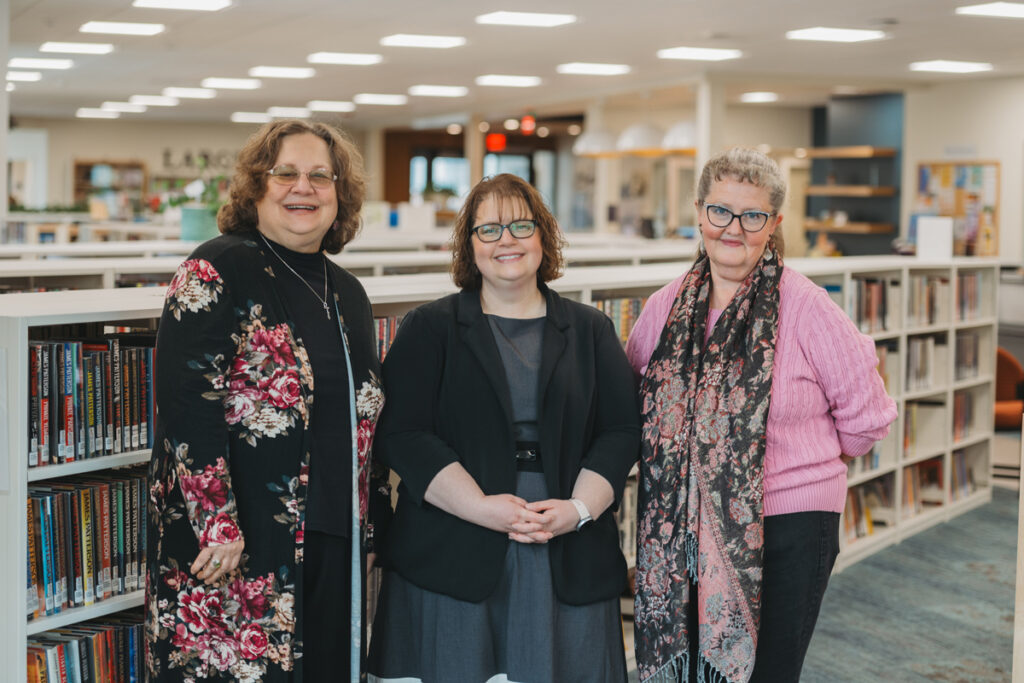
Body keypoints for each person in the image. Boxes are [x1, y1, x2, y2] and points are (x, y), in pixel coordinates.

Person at [626, 147, 898, 683]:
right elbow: (634, 398)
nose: (733, 229)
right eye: (720, 211)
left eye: (752, 216)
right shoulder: (663, 307)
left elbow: (867, 418)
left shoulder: (809, 308)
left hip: (789, 524)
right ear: (699, 212)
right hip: (682, 530)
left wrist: (802, 465)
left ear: (774, 223)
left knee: (767, 673)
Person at [367, 173, 639, 683]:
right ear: (469, 246)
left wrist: (578, 510)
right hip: (454, 542)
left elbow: (622, 430)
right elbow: (401, 434)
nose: (506, 240)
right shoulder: (430, 327)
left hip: (568, 542)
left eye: (520, 225)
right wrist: (479, 507)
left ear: (543, 236)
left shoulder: (592, 330)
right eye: (488, 229)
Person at [145, 119, 389, 682]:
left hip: (334, 537)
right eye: (285, 173)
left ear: (340, 195)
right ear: (256, 186)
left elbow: (364, 416)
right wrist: (217, 523)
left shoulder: (347, 292)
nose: (304, 187)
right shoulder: (215, 268)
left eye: (321, 176)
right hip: (239, 542)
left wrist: (372, 523)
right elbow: (187, 403)